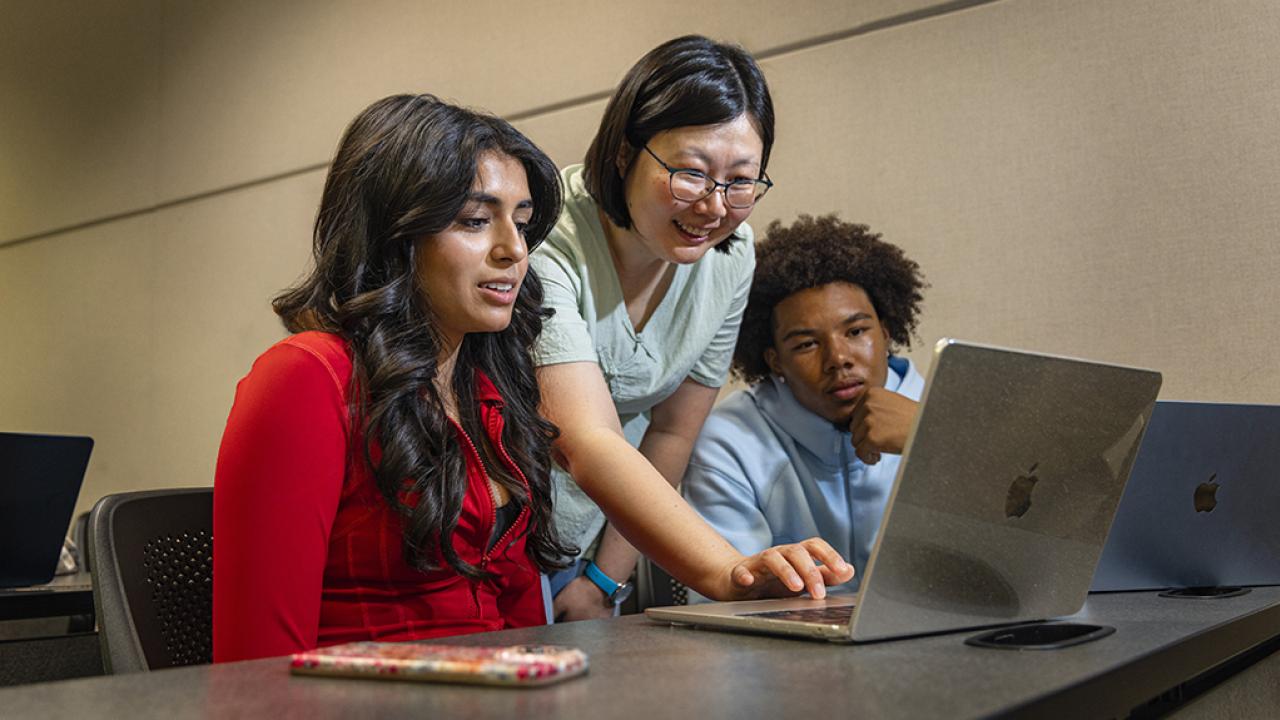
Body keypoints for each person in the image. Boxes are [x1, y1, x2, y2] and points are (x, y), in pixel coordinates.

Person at [214, 95, 850, 662]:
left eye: (521, 222)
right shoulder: (306, 378)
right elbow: (254, 669)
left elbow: (521, 634)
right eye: (474, 220)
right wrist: (728, 570)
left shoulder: (488, 390)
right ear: (394, 234)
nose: (514, 250)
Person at [531, 35, 820, 621]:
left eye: (741, 181)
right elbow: (585, 441)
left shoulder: (731, 256)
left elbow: (670, 435)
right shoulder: (543, 235)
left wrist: (601, 579)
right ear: (622, 153)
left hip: (589, 541)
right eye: (689, 174)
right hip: (496, 535)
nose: (713, 208)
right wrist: (726, 572)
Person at [682, 214, 928, 586]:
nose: (838, 358)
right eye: (806, 344)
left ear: (886, 332)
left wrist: (931, 438)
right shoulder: (728, 443)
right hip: (792, 641)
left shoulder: (950, 413)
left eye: (857, 331)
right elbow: (724, 600)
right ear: (775, 361)